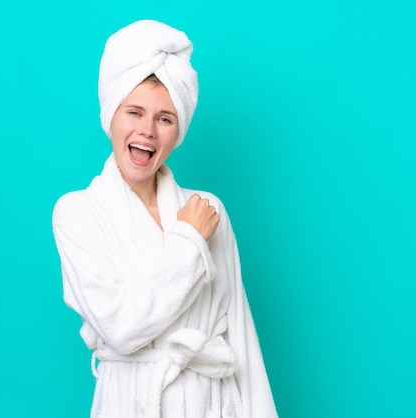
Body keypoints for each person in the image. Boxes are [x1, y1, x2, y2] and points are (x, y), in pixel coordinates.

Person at [52, 19, 278, 418]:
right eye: (134, 111)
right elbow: (122, 328)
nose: (147, 130)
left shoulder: (208, 209)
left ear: (178, 131)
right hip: (129, 404)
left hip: (212, 405)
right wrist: (188, 241)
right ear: (111, 116)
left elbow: (241, 338)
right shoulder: (77, 213)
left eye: (165, 118)